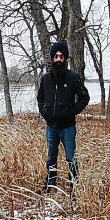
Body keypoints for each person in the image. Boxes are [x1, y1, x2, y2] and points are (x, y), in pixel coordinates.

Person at [37, 41, 90, 193]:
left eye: (61, 56)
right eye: (56, 56)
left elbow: (84, 98)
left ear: (65, 58)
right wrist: (44, 111)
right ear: (52, 58)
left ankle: (73, 185)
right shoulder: (46, 79)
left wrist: (71, 111)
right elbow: (40, 97)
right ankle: (50, 184)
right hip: (51, 127)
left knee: (71, 158)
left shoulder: (73, 77)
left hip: (68, 127)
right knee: (51, 157)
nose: (58, 59)